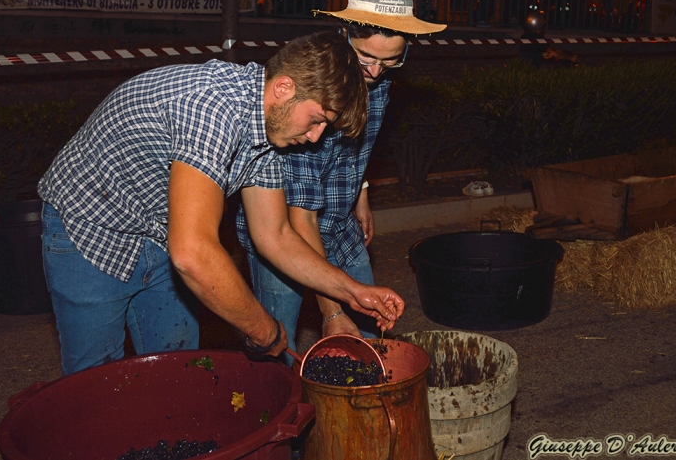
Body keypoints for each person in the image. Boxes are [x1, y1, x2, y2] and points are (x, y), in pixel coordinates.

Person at [37, 30, 404, 376]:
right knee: (97, 382)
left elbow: (274, 235)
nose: (314, 137)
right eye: (316, 120)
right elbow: (193, 252)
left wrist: (352, 291)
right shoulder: (213, 107)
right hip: (89, 229)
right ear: (284, 87)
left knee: (179, 372)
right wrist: (264, 330)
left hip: (159, 230)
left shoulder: (270, 130)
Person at [236, 0, 446, 365]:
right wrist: (331, 312)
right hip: (283, 231)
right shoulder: (310, 96)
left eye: (391, 60)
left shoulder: (377, 80)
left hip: (341, 222)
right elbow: (300, 220)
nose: (376, 72)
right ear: (345, 34)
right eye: (366, 58)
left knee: (372, 334)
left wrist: (361, 194)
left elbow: (358, 145)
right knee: (278, 345)